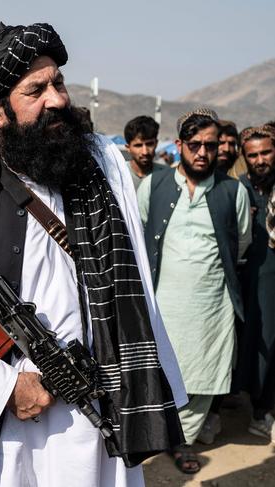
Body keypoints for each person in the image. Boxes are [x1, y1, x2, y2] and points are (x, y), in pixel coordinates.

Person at [0, 22, 186, 487]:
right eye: (36, 90)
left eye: (58, 83)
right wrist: (6, 388)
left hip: (105, 409)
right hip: (22, 430)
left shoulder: (103, 173)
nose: (57, 99)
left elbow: (140, 294)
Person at [137, 108, 252, 473]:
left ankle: (182, 440)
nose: (202, 153)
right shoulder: (153, 185)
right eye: (195, 145)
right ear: (180, 145)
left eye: (210, 146)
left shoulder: (232, 192)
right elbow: (139, 237)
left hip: (211, 306)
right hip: (164, 303)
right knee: (163, 372)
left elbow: (242, 245)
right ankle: (157, 434)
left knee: (202, 375)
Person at [237, 125, 275, 443]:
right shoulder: (238, 190)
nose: (261, 160)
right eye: (253, 155)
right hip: (250, 283)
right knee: (257, 344)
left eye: (266, 152)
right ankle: (258, 410)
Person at [124, 115, 165, 191]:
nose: (145, 152)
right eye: (138, 145)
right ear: (128, 148)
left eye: (149, 144)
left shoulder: (167, 176)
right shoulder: (118, 175)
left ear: (156, 144)